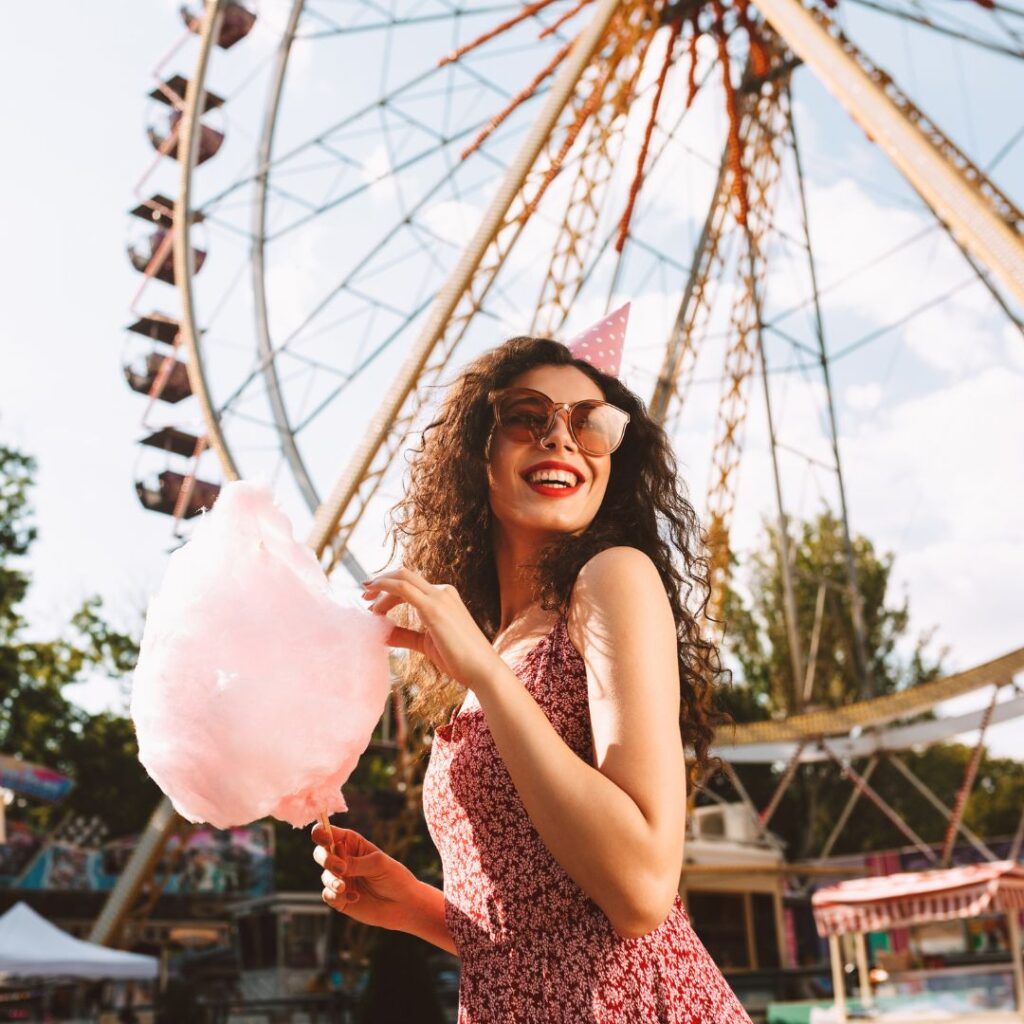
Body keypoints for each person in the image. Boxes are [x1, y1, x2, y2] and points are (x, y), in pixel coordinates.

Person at [312, 304, 752, 1022]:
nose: (562, 439)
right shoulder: (500, 643)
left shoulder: (612, 578)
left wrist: (484, 675)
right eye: (528, 416)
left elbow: (641, 892)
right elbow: (550, 929)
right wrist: (421, 908)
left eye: (591, 423)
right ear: (476, 450)